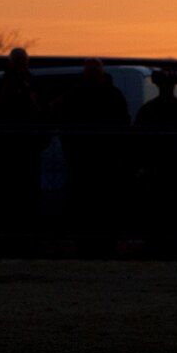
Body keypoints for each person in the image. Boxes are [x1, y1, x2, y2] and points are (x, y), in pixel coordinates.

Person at [56, 58, 132, 255]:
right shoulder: (75, 94)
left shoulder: (111, 95)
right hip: (82, 160)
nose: (92, 76)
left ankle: (103, 244)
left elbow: (123, 125)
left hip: (105, 161)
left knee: (103, 204)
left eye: (95, 72)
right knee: (84, 204)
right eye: (89, 72)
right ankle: (86, 244)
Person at [0, 48, 46, 252]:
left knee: (27, 199)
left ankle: (27, 243)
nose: (21, 65)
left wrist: (29, 96)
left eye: (24, 61)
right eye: (17, 61)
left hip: (27, 152)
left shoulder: (35, 85)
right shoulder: (0, 85)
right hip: (1, 152)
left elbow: (42, 115)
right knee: (0, 198)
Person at [135, 71, 177, 253]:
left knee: (157, 206)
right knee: (172, 206)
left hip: (156, 165)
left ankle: (156, 243)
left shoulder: (148, 109)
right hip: (173, 164)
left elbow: (139, 138)